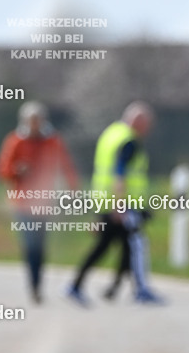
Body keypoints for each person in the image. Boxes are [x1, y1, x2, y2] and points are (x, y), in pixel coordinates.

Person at [68, 102, 160, 305]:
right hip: (120, 205)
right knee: (130, 247)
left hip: (104, 201)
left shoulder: (111, 133)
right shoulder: (129, 141)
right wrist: (120, 206)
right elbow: (120, 174)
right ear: (138, 121)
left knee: (118, 247)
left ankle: (106, 287)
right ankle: (138, 290)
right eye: (147, 124)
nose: (148, 129)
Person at [0, 101, 78, 304]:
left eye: (37, 120)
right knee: (30, 245)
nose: (34, 124)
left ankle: (38, 283)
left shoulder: (52, 140)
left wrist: (73, 190)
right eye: (31, 121)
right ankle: (33, 286)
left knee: (40, 245)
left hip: (44, 201)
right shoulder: (16, 141)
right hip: (22, 202)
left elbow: (66, 165)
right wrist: (17, 170)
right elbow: (2, 170)